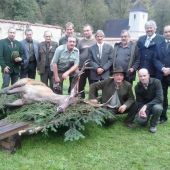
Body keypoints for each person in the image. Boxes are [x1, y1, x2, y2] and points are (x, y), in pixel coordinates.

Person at [135, 69, 163, 133]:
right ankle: (145, 119)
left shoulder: (157, 82)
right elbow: (139, 101)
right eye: (140, 76)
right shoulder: (137, 87)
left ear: (148, 75)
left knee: (157, 108)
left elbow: (159, 98)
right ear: (138, 77)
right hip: (145, 107)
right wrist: (142, 111)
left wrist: (146, 106)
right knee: (141, 121)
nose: (142, 78)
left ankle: (153, 125)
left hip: (156, 104)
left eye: (144, 75)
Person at [153, 25, 170, 124]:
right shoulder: (159, 45)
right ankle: (163, 117)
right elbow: (155, 59)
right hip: (162, 76)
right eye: (166, 32)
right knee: (162, 97)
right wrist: (163, 69)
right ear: (163, 33)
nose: (168, 33)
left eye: (169, 31)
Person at [59, 22, 79, 94]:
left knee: (74, 79)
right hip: (62, 64)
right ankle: (59, 94)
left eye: (70, 29)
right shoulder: (61, 40)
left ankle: (71, 94)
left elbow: (77, 52)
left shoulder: (77, 40)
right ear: (65, 30)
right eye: (68, 29)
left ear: (73, 30)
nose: (69, 31)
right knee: (59, 80)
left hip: (72, 64)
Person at [77, 24, 96, 98]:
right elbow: (77, 54)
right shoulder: (80, 42)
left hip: (92, 68)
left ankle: (92, 101)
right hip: (82, 68)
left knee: (93, 86)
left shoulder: (95, 41)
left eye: (87, 30)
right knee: (80, 86)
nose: (86, 32)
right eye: (84, 31)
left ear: (92, 30)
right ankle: (81, 101)